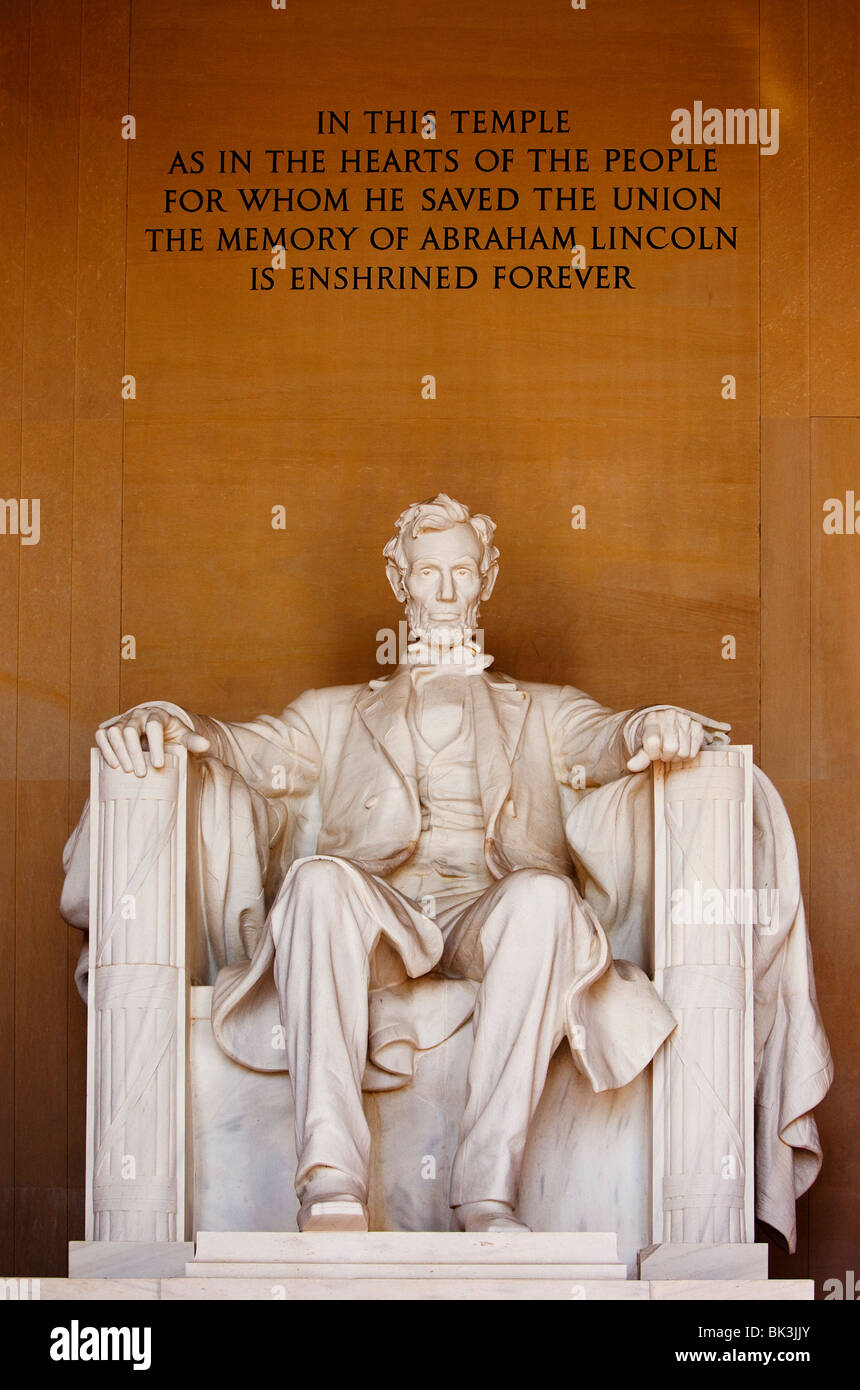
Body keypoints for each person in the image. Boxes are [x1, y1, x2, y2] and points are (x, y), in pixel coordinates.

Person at [90, 493, 737, 1234]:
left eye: (464, 571)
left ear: (487, 578)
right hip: (377, 922)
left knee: (545, 899)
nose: (448, 592)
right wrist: (176, 723)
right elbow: (247, 749)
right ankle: (330, 1182)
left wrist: (648, 725)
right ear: (400, 579)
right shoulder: (334, 714)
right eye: (429, 573)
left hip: (486, 917)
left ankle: (486, 1194)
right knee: (315, 880)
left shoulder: (543, 708)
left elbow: (605, 739)